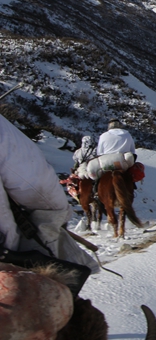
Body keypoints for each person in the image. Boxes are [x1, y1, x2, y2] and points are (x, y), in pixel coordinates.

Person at [0, 113, 99, 296]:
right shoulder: (95, 150)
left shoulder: (79, 152)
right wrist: (55, 215)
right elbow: (35, 181)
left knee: (79, 176)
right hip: (5, 256)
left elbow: (77, 163)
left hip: (85, 166)